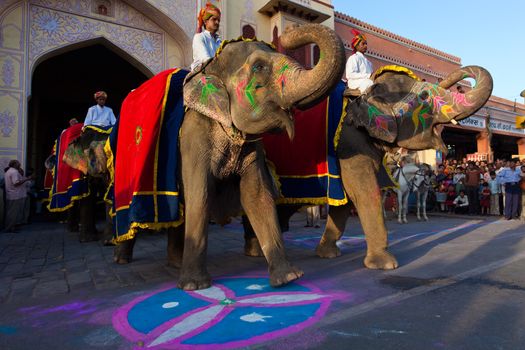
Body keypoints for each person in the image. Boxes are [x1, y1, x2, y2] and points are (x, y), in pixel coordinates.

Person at [3, 160, 33, 233]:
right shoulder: (14, 172)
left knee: (11, 212)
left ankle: (11, 227)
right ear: (14, 165)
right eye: (18, 164)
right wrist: (27, 179)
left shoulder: (9, 171)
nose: (19, 165)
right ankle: (9, 228)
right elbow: (16, 183)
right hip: (15, 195)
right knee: (13, 213)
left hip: (11, 195)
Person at [190, 1, 221, 71]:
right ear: (205, 21)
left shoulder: (219, 42)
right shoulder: (199, 37)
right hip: (201, 73)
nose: (217, 22)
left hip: (217, 72)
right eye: (214, 19)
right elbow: (205, 60)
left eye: (218, 20)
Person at [345, 29, 373, 94]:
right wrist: (368, 76)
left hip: (366, 81)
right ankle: (363, 101)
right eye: (363, 44)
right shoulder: (353, 58)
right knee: (369, 83)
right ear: (356, 46)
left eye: (366, 44)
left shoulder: (369, 63)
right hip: (354, 82)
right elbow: (350, 75)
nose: (366, 46)